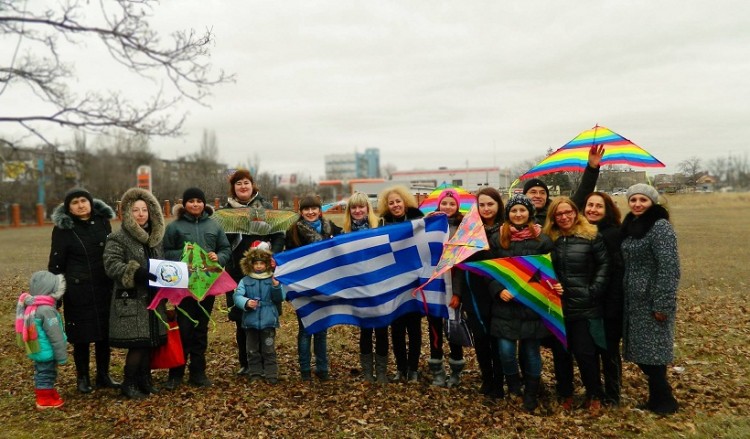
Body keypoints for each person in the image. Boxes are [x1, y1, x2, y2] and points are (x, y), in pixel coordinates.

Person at [48, 187, 119, 393]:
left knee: (104, 335)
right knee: (81, 336)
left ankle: (103, 375)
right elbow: (56, 262)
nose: (80, 205)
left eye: (83, 201)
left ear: (90, 202)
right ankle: (83, 378)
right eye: (75, 202)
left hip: (104, 286)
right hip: (78, 290)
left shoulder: (103, 222)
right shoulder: (63, 229)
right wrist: (55, 294)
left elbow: (111, 253)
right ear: (69, 207)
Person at [543, 196, 609, 414]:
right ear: (553, 217)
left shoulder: (591, 235)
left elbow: (604, 265)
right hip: (557, 307)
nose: (564, 217)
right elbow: (540, 268)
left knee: (586, 354)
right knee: (561, 354)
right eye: (559, 214)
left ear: (575, 212)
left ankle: (594, 394)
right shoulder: (548, 239)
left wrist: (593, 291)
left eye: (567, 212)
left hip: (584, 306)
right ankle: (565, 393)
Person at [162, 187, 231, 390]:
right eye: (190, 201)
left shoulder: (214, 226)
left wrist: (219, 257)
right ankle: (176, 373)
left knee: (200, 329)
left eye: (198, 201)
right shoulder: (175, 227)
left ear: (204, 203)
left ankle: (198, 372)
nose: (195, 204)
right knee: (183, 329)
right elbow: (165, 252)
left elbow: (225, 249)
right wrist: (184, 254)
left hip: (207, 286)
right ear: (184, 204)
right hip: (183, 287)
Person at [490, 194, 553, 411]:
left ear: (530, 213)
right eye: (514, 210)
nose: (518, 214)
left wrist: (536, 288)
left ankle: (531, 393)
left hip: (531, 306)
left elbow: (548, 273)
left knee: (531, 352)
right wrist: (498, 290)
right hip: (505, 306)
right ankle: (514, 385)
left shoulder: (542, 239)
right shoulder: (498, 239)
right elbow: (490, 272)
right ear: (508, 214)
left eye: (522, 210)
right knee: (506, 351)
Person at [621, 183, 680, 415]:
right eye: (633, 199)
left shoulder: (660, 227)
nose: (637, 204)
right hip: (634, 301)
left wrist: (663, 303)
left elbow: (669, 268)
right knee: (644, 353)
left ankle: (664, 402)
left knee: (654, 354)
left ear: (652, 202)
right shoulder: (632, 225)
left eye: (643, 200)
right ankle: (659, 398)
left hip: (652, 300)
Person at [103, 187, 167, 399]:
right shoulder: (118, 237)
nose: (141, 214)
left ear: (151, 213)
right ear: (128, 213)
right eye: (136, 210)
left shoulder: (155, 238)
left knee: (149, 342)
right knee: (138, 344)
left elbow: (163, 264)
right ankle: (129, 383)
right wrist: (136, 272)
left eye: (144, 210)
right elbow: (111, 265)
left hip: (153, 298)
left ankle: (144, 380)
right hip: (131, 299)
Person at [220, 169, 286, 376]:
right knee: (242, 318)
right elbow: (220, 241)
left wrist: (270, 250)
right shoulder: (225, 211)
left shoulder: (265, 208)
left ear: (253, 185)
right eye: (238, 183)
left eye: (246, 182)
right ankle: (247, 362)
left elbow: (279, 235)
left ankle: (268, 362)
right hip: (236, 273)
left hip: (263, 272)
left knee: (265, 315)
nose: (243, 186)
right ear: (234, 188)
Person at [451, 187, 504, 397]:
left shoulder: (506, 229)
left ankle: (500, 381)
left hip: (499, 293)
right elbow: (458, 261)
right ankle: (487, 378)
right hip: (474, 292)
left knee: (497, 339)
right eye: (482, 205)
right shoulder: (469, 230)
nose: (486, 208)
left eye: (490, 204)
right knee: (481, 339)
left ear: (498, 205)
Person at [285, 194, 342, 381]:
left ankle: (322, 368)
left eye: (314, 208)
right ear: (301, 212)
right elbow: (292, 258)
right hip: (304, 287)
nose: (310, 212)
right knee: (305, 329)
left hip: (326, 285)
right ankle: (305, 371)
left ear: (320, 210)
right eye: (306, 209)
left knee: (322, 328)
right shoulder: (293, 231)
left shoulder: (330, 227)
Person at [377, 185, 424, 382]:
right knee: (396, 329)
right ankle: (400, 369)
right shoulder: (383, 224)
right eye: (391, 203)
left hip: (414, 281)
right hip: (393, 284)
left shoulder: (419, 220)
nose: (396, 205)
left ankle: (413, 369)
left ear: (405, 201)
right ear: (387, 206)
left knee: (413, 328)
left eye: (398, 201)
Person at [581, 191, 624, 406]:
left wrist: (613, 305)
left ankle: (613, 394)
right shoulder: (584, 232)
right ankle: (595, 391)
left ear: (607, 210)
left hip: (609, 303)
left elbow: (617, 273)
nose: (593, 210)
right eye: (590, 205)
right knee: (593, 349)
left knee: (609, 351)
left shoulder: (612, 234)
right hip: (590, 301)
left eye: (599, 206)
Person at [342, 192, 388, 384]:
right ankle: (368, 371)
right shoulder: (344, 234)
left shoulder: (382, 227)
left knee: (382, 329)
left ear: (368, 208)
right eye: (354, 207)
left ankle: (382, 372)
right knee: (365, 330)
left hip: (380, 286)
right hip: (358, 288)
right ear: (349, 211)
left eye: (361, 207)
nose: (358, 210)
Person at [425, 189, 466, 388]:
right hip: (433, 285)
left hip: (452, 285)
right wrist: (425, 221)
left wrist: (458, 292)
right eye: (444, 203)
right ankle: (437, 370)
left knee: (453, 328)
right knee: (434, 329)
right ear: (439, 204)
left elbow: (462, 265)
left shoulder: (463, 228)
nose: (447, 207)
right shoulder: (431, 225)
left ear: (457, 206)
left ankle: (456, 370)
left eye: (452, 203)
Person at [15, 271, 68, 410]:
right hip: (47, 350)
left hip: (37, 348)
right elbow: (55, 335)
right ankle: (44, 399)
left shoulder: (33, 305)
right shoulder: (46, 310)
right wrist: (62, 356)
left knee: (42, 372)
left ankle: (48, 393)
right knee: (46, 373)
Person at [233, 245, 283, 384]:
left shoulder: (272, 278)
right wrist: (246, 302)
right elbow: (237, 296)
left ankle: (271, 374)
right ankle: (255, 373)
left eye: (262, 263)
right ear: (251, 264)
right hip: (251, 321)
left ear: (267, 264)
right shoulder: (246, 280)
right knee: (252, 350)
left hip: (268, 321)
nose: (259, 266)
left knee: (268, 349)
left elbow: (279, 298)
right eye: (256, 263)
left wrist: (276, 286)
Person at [523, 145, 604, 226]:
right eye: (533, 192)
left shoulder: (558, 211)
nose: (538, 196)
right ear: (525, 195)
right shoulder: (515, 214)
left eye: (542, 193)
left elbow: (583, 192)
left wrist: (592, 168)